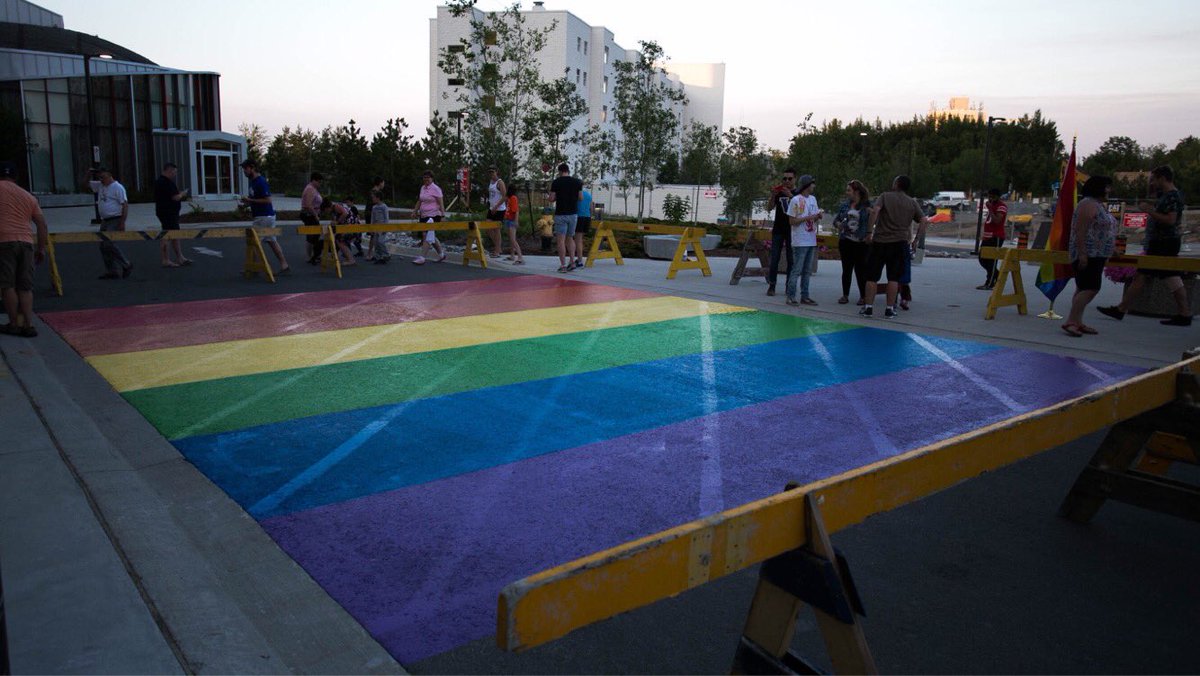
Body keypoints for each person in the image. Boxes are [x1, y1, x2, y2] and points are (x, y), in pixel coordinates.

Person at [1098, 165, 1192, 327]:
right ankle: (1183, 313)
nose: (1152, 182)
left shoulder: (1172, 197)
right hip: (1161, 242)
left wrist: (1149, 210)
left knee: (1149, 275)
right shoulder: (1167, 195)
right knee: (1164, 276)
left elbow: (1170, 220)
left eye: (1154, 179)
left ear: (1162, 178)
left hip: (1164, 243)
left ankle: (1122, 309)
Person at [861, 175, 930, 319]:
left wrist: (869, 232)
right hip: (899, 242)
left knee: (872, 277)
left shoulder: (885, 196)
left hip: (880, 241)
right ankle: (890, 308)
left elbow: (875, 211)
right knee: (894, 277)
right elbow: (923, 220)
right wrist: (917, 239)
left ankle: (868, 307)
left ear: (897, 184)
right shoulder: (912, 202)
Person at [1062, 176, 1117, 337]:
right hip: (1089, 253)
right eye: (1107, 187)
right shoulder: (1088, 204)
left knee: (1082, 287)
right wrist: (1083, 254)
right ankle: (1071, 321)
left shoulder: (1097, 205)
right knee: (1091, 288)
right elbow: (1081, 230)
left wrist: (1111, 248)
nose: (1109, 190)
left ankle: (1077, 321)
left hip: (1097, 253)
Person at [0, 162, 49, 337]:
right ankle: (28, 325)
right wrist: (41, 249)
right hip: (26, 243)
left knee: (7, 285)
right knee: (25, 286)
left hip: (4, 241)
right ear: (16, 177)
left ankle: (13, 324)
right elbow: (42, 224)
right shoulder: (28, 196)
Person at [239, 160, 290, 274]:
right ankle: (284, 265)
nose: (244, 171)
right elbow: (256, 199)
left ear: (252, 168)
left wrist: (250, 200)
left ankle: (255, 267)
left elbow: (267, 200)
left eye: (245, 169)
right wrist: (246, 204)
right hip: (265, 216)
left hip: (263, 217)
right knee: (271, 241)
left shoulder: (261, 182)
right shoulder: (253, 182)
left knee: (254, 241)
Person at [87, 168, 132, 280]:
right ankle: (112, 270)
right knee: (103, 245)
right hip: (105, 220)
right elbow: (86, 185)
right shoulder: (101, 186)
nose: (102, 180)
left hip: (115, 218)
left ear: (109, 175)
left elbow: (125, 204)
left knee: (109, 243)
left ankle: (126, 263)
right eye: (100, 178)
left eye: (103, 177)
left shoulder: (117, 187)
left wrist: (122, 221)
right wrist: (89, 174)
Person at [785, 175, 823, 306]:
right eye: (812, 184)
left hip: (811, 239)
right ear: (807, 185)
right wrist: (808, 217)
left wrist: (817, 217)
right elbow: (792, 221)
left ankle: (805, 296)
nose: (814, 186)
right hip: (800, 240)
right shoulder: (796, 200)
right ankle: (790, 295)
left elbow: (813, 217)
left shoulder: (813, 199)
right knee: (796, 269)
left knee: (807, 271)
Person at [833, 180, 871, 305]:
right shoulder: (845, 205)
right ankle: (845, 295)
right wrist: (838, 224)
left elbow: (873, 220)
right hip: (846, 241)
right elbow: (836, 220)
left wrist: (868, 234)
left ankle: (863, 296)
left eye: (849, 190)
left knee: (861, 270)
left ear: (856, 191)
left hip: (860, 242)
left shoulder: (866, 206)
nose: (847, 193)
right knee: (846, 269)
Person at [153, 162, 192, 267]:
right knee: (167, 235)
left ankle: (180, 257)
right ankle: (166, 260)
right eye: (174, 172)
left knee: (175, 234)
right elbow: (174, 197)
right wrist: (182, 194)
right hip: (167, 213)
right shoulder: (164, 182)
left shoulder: (164, 182)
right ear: (169, 171)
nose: (175, 174)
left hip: (169, 212)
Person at [765, 169, 797, 296]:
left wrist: (790, 195)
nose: (787, 181)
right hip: (778, 229)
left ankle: (788, 286)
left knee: (791, 259)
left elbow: (802, 208)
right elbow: (769, 208)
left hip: (792, 230)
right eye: (784, 179)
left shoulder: (798, 193)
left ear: (795, 179)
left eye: (790, 178)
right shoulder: (779, 192)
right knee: (774, 259)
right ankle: (772, 286)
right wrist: (773, 195)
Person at [547, 162, 583, 273]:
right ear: (568, 170)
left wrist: (554, 195)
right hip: (573, 214)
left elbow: (552, 199)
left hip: (561, 214)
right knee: (570, 238)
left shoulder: (556, 182)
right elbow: (580, 197)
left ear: (560, 171)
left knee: (561, 241)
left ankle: (563, 266)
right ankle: (572, 262)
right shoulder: (577, 182)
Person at [412, 171, 447, 265]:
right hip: (424, 215)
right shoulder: (423, 188)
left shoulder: (436, 189)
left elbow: (441, 202)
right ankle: (441, 254)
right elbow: (420, 200)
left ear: (432, 178)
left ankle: (422, 257)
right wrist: (415, 211)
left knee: (427, 235)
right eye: (424, 177)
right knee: (431, 236)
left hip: (434, 215)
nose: (426, 179)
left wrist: (443, 215)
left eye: (428, 177)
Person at [976, 188, 1008, 290]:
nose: (990, 199)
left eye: (993, 197)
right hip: (987, 236)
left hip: (996, 236)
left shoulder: (1001, 206)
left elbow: (997, 221)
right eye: (989, 196)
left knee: (992, 260)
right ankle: (996, 274)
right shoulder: (992, 205)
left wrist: (990, 209)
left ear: (998, 197)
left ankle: (990, 282)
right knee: (982, 258)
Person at [301, 172, 325, 265]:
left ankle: (313, 255)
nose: (320, 184)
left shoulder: (313, 188)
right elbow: (308, 205)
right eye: (319, 182)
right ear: (314, 180)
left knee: (314, 235)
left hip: (312, 214)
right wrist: (315, 215)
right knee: (312, 235)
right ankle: (310, 256)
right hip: (309, 215)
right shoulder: (310, 189)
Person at [487, 167, 507, 258]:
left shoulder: (500, 182)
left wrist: (496, 206)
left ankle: (497, 250)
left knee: (496, 229)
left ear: (497, 172)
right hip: (491, 208)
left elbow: (504, 196)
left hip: (499, 209)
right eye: (490, 173)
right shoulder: (491, 182)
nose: (491, 174)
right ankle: (498, 247)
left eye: (493, 172)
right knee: (488, 228)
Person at [365, 176, 386, 261]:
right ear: (380, 183)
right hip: (373, 215)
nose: (384, 184)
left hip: (370, 213)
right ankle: (370, 254)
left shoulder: (372, 191)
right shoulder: (375, 192)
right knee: (374, 235)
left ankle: (372, 253)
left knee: (374, 235)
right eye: (383, 182)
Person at [503, 185, 524, 265]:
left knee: (513, 239)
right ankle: (512, 255)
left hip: (512, 220)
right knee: (511, 239)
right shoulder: (509, 198)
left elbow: (516, 211)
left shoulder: (513, 198)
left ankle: (520, 257)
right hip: (508, 219)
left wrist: (516, 221)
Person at [574, 183, 593, 269]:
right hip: (587, 217)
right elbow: (591, 207)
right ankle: (579, 258)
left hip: (579, 217)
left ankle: (580, 260)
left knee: (578, 240)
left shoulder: (577, 193)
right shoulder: (589, 195)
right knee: (581, 240)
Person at [369, 190, 391, 264]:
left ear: (378, 198)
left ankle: (386, 255)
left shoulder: (384, 207)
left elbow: (386, 218)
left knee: (381, 242)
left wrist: (385, 227)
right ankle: (378, 256)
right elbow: (372, 218)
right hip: (375, 227)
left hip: (382, 227)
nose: (372, 199)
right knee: (376, 242)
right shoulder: (374, 207)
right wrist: (371, 228)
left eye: (373, 197)